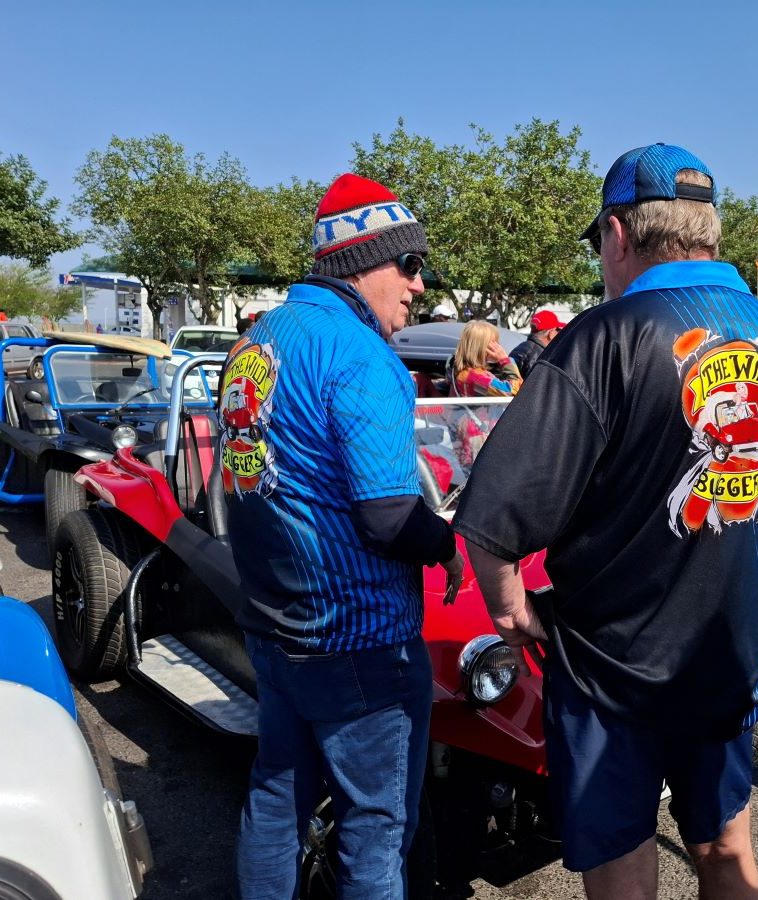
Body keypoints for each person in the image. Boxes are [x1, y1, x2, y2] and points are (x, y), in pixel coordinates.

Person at [452, 143, 758, 900]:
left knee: (622, 852)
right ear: (708, 229)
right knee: (724, 842)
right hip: (730, 659)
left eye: (598, 246)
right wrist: (753, 589)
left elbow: (490, 518)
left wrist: (511, 608)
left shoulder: (602, 337)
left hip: (609, 671)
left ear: (620, 234)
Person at [219, 172, 464, 900]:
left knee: (276, 796)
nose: (419, 287)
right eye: (411, 266)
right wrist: (449, 545)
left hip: (270, 624)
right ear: (366, 262)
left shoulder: (257, 341)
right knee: (376, 827)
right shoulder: (361, 356)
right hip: (356, 640)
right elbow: (388, 516)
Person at [446, 319, 522, 397]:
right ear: (481, 347)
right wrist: (505, 360)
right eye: (494, 342)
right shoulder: (475, 376)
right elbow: (514, 391)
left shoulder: (463, 370)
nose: (499, 346)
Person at [510, 310, 566, 379]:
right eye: (557, 330)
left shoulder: (523, 346)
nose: (558, 334)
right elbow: (537, 385)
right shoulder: (539, 355)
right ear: (550, 333)